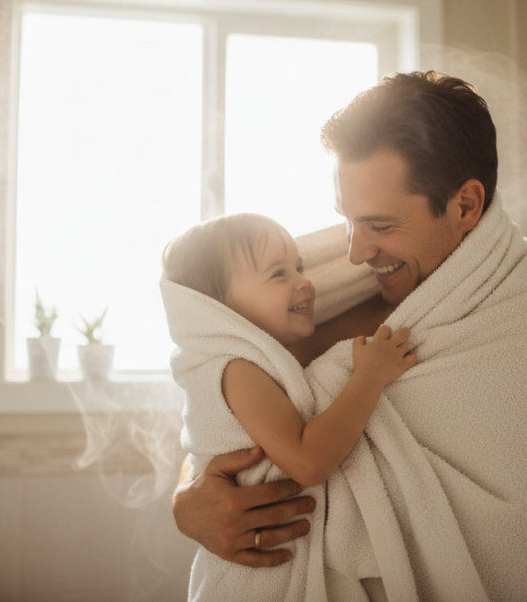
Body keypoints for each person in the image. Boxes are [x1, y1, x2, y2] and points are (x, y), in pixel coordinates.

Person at [172, 71, 527, 601]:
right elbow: (223, 392)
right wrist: (189, 499)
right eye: (348, 222)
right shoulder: (333, 277)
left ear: (466, 207)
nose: (355, 252)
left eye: (380, 227)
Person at [161, 213, 415, 601]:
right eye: (279, 274)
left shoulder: (252, 364)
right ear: (221, 309)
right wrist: (370, 377)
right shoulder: (238, 370)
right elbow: (308, 462)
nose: (305, 281)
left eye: (298, 266)